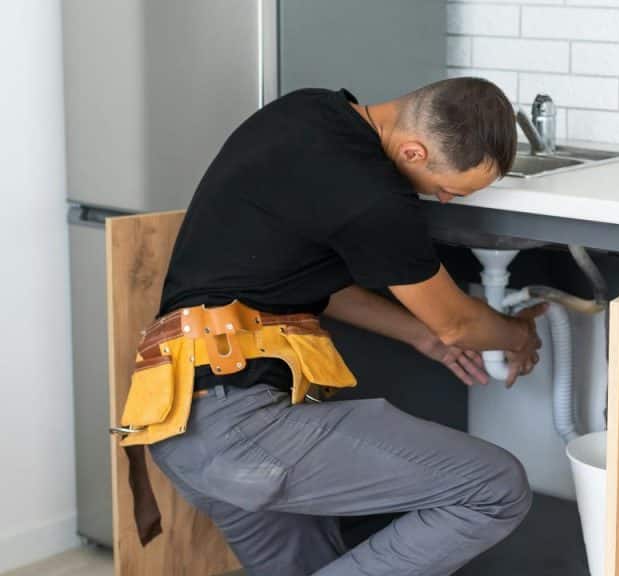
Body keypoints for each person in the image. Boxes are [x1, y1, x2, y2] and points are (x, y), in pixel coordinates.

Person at [136, 77, 545, 575]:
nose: (444, 203)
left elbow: (304, 283)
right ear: (414, 152)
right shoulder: (376, 197)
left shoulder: (304, 114)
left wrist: (421, 336)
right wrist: (519, 336)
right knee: (496, 489)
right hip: (242, 429)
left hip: (180, 428)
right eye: (446, 190)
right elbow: (458, 322)